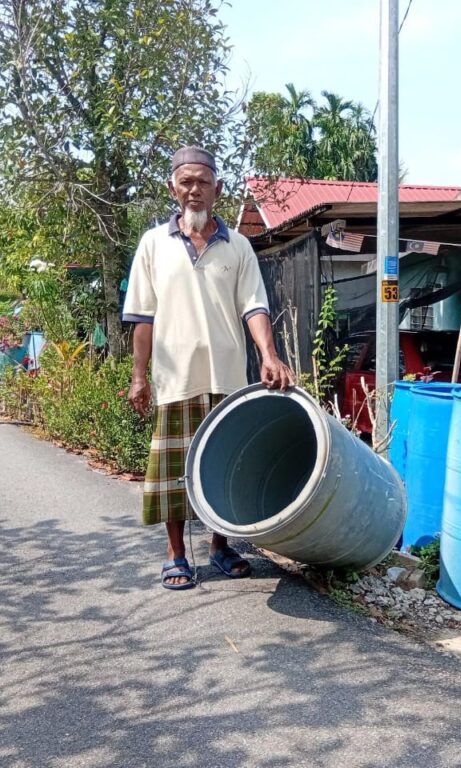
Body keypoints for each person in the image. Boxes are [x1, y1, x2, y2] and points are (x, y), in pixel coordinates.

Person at [123, 146, 295, 590]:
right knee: (174, 472)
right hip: (175, 378)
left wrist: (269, 355)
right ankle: (177, 554)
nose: (194, 190)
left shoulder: (238, 246)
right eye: (186, 182)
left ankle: (220, 547)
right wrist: (139, 377)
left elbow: (254, 306)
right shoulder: (153, 244)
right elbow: (142, 318)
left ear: (218, 189)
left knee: (226, 467)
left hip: (227, 376)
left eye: (203, 181)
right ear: (172, 188)